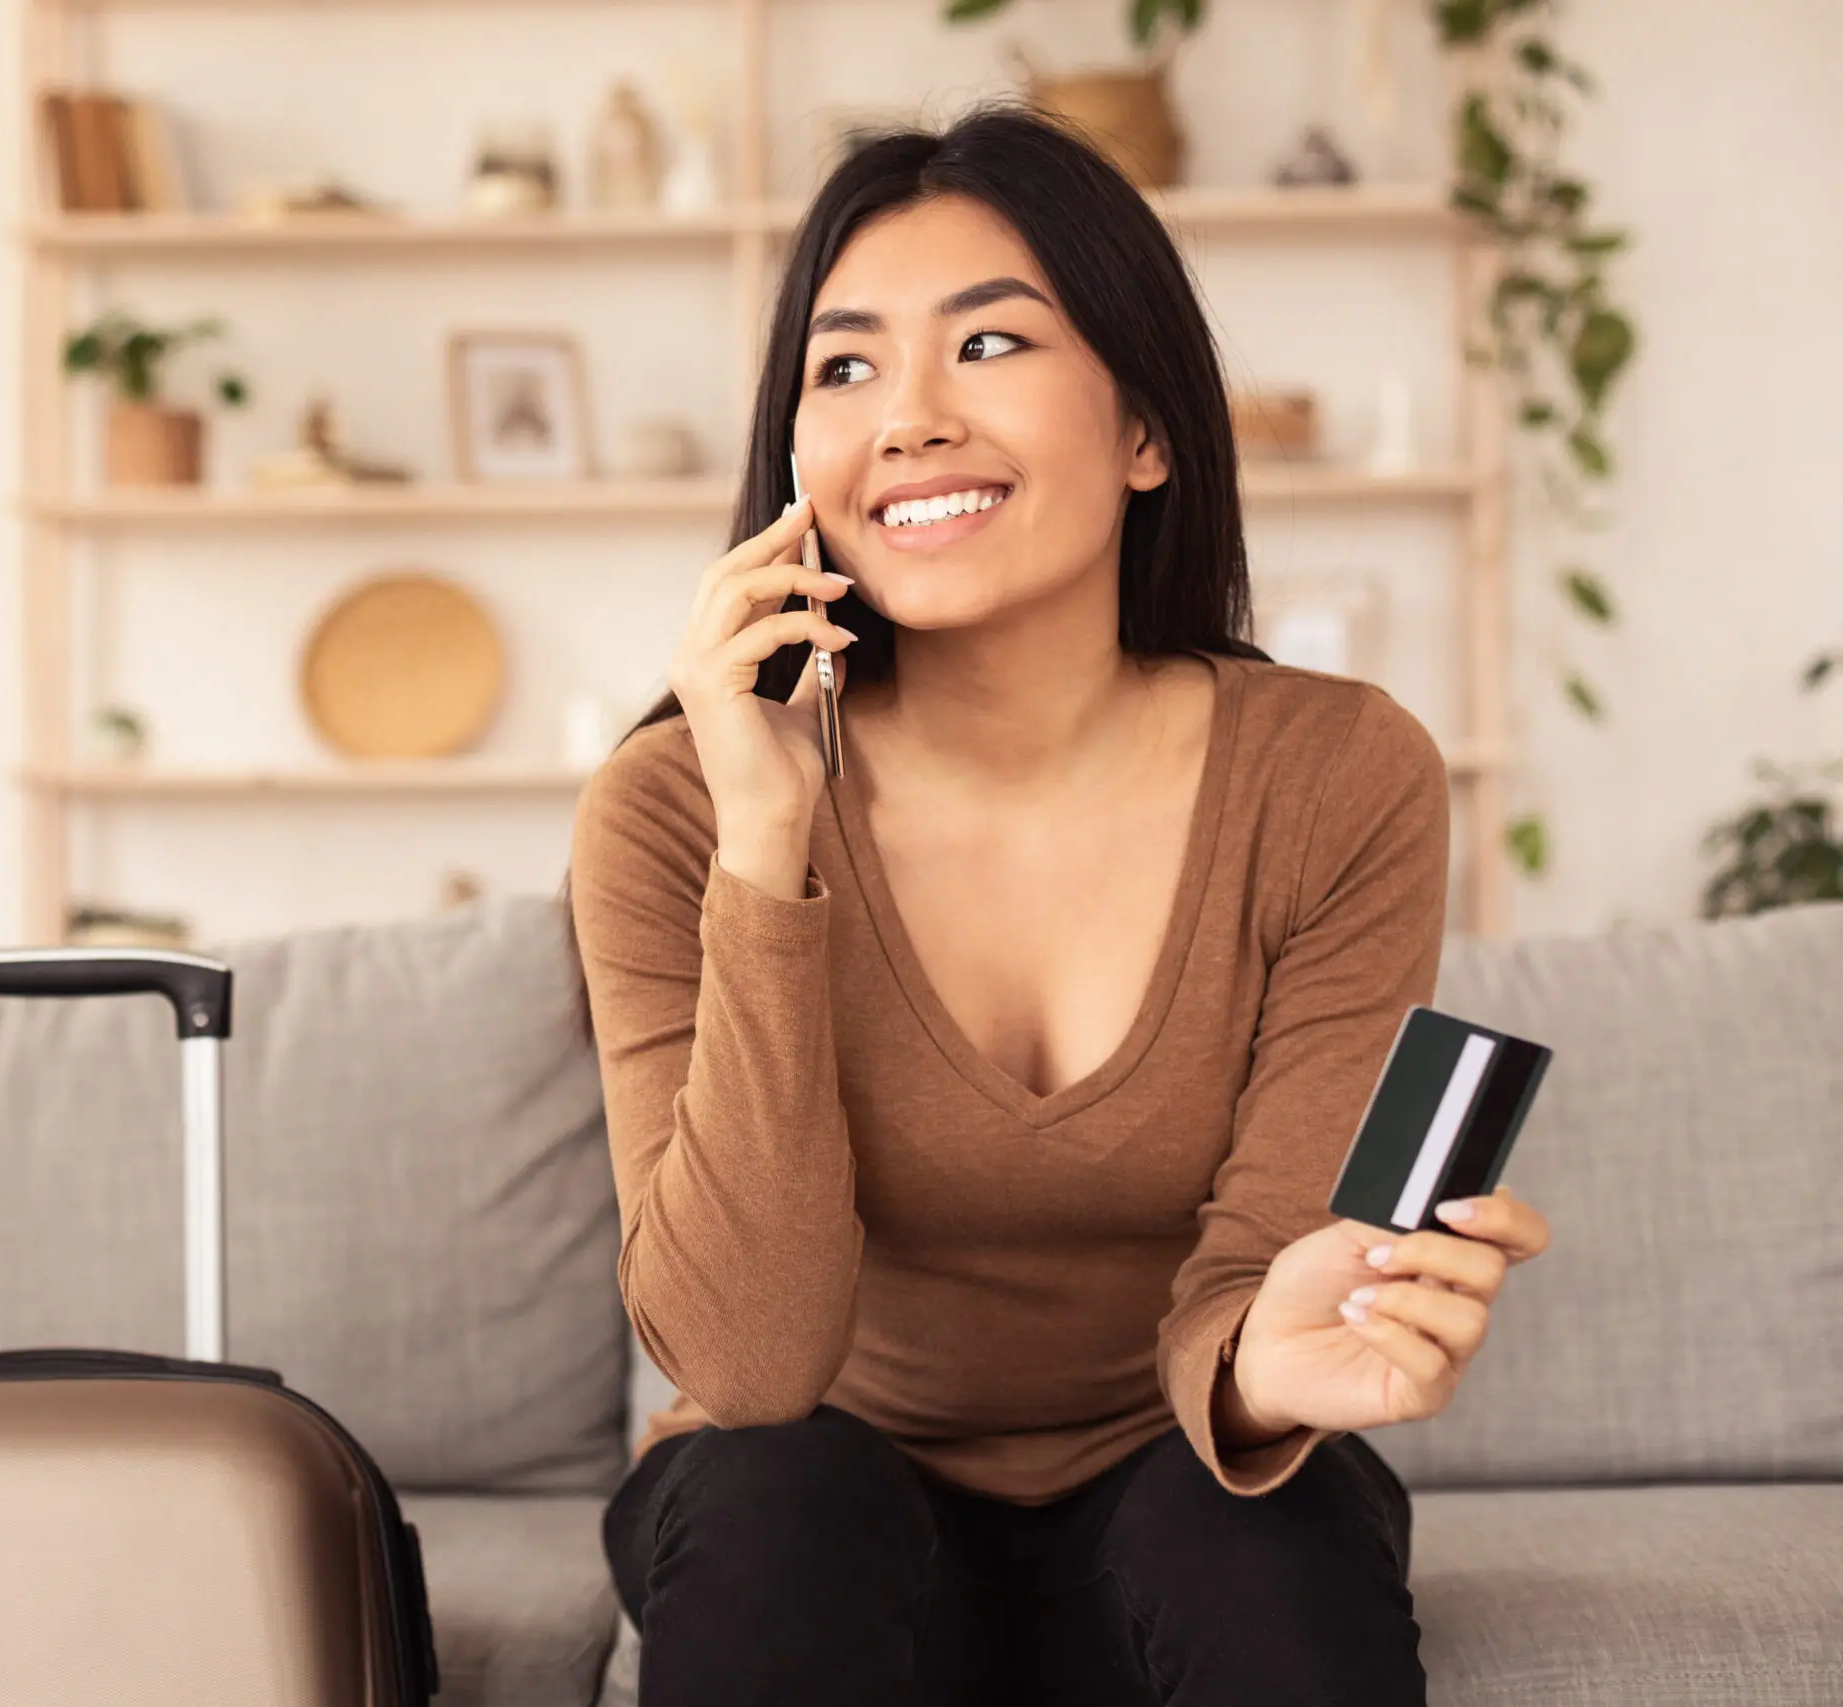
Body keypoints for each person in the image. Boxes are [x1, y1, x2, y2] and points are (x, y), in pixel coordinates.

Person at [561, 101, 1554, 1706]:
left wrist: (1259, 1364)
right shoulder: (677, 806)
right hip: (813, 1483)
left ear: (1148, 429)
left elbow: (1262, 1265)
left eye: (992, 344)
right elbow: (746, 1366)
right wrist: (768, 846)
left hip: (1182, 1467)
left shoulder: (1335, 775)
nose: (910, 417)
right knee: (782, 1500)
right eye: (846, 366)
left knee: (1263, 1531)